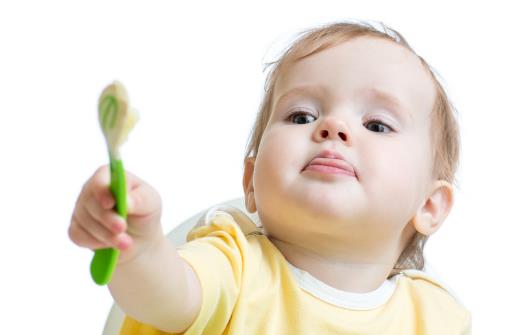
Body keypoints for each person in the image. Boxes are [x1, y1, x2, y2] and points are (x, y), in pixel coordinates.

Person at [69, 20, 471, 334]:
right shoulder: (234, 265)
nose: (333, 126)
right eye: (302, 116)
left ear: (430, 205)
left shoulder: (436, 319)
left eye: (377, 125)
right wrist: (139, 249)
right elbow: (166, 297)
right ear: (251, 180)